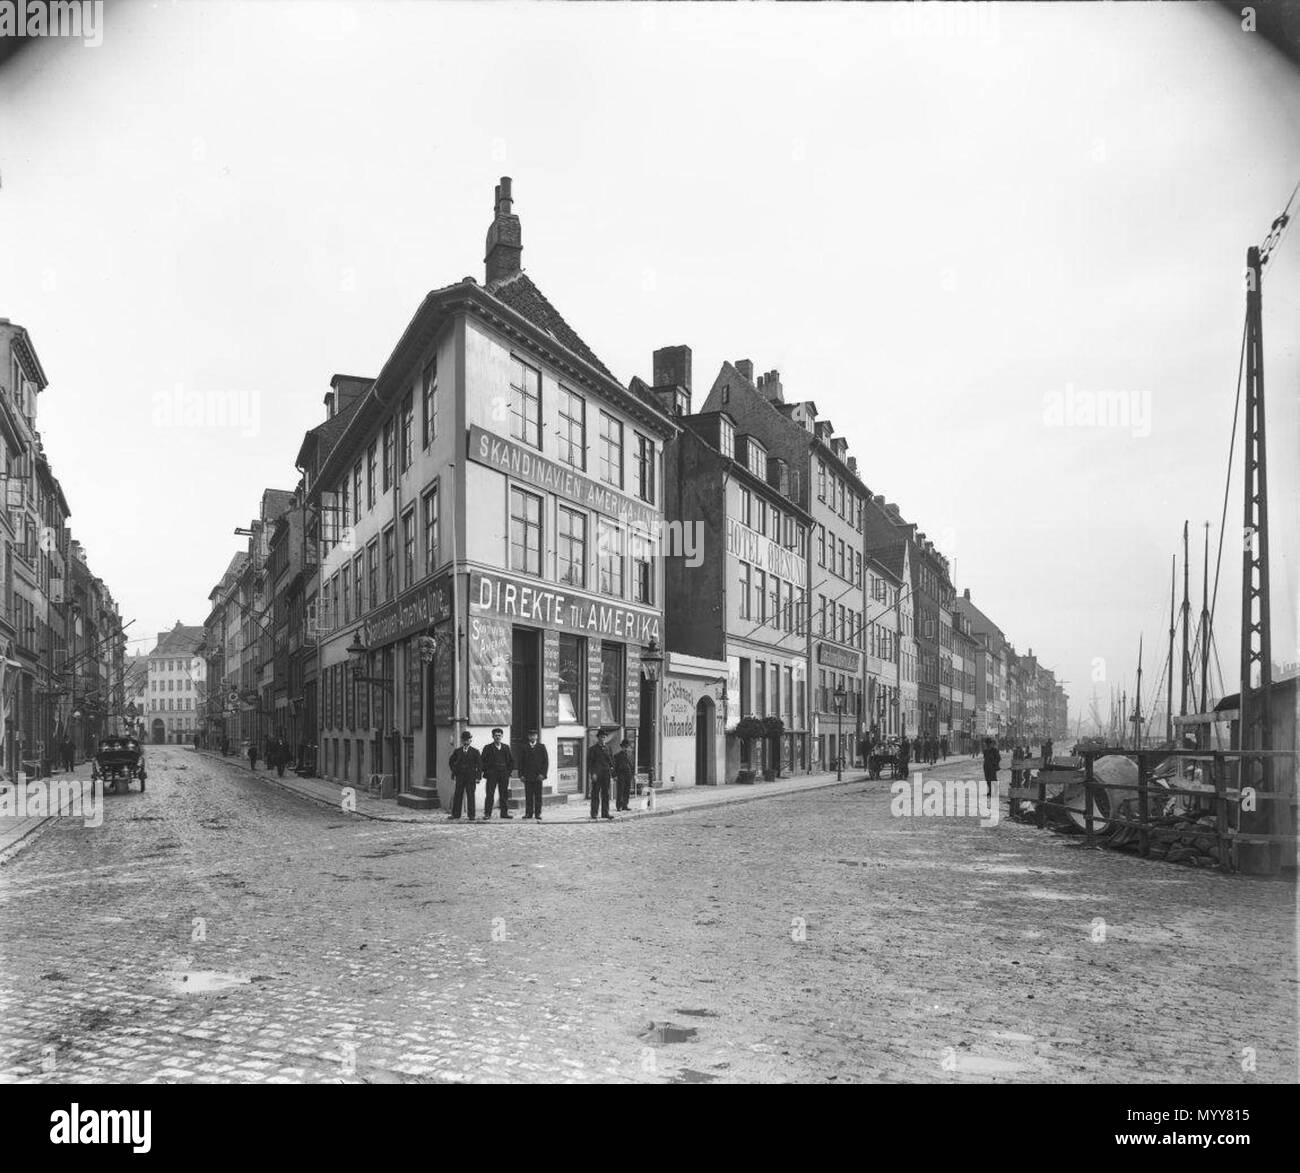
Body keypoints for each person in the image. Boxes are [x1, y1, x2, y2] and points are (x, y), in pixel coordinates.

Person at [481, 727, 514, 820]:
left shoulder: (506, 747)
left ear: (502, 736)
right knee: (490, 794)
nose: (498, 737)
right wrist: (488, 771)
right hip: (492, 775)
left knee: (504, 794)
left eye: (499, 735)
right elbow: (482, 761)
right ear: (492, 736)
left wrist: (508, 772)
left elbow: (511, 761)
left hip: (503, 774)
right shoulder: (487, 748)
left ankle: (504, 813)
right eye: (496, 735)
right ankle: (487, 813)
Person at [448, 731, 481, 821]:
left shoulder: (475, 752)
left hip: (471, 777)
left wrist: (478, 777)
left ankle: (471, 815)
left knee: (471, 795)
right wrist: (454, 771)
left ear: (471, 740)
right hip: (460, 776)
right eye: (465, 740)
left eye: (468, 739)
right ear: (462, 741)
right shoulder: (457, 751)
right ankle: (456, 814)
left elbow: (479, 765)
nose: (466, 741)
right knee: (458, 794)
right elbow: (451, 762)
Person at [519, 729, 548, 821]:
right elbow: (521, 762)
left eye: (534, 735)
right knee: (528, 795)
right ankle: (528, 813)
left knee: (538, 796)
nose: (532, 737)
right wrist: (521, 775)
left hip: (538, 776)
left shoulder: (541, 747)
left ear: (537, 737)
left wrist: (543, 774)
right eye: (531, 735)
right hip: (527, 776)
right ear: (528, 737)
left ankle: (538, 813)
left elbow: (545, 762)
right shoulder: (524, 747)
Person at [586, 728, 614, 820]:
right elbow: (590, 763)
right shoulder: (593, 749)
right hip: (597, 774)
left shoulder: (608, 748)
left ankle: (605, 813)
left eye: (604, 737)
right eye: (601, 737)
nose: (603, 739)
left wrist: (612, 771)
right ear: (598, 738)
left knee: (606, 794)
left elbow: (611, 761)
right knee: (595, 794)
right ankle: (594, 813)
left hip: (606, 774)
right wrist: (592, 773)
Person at [614, 738, 635, 812]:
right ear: (622, 747)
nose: (626, 748)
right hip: (621, 774)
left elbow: (631, 765)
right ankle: (619, 806)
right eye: (624, 747)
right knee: (620, 790)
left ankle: (625, 805)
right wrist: (615, 775)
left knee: (627, 790)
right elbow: (614, 767)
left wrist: (633, 774)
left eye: (627, 747)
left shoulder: (629, 755)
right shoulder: (617, 756)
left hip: (628, 775)